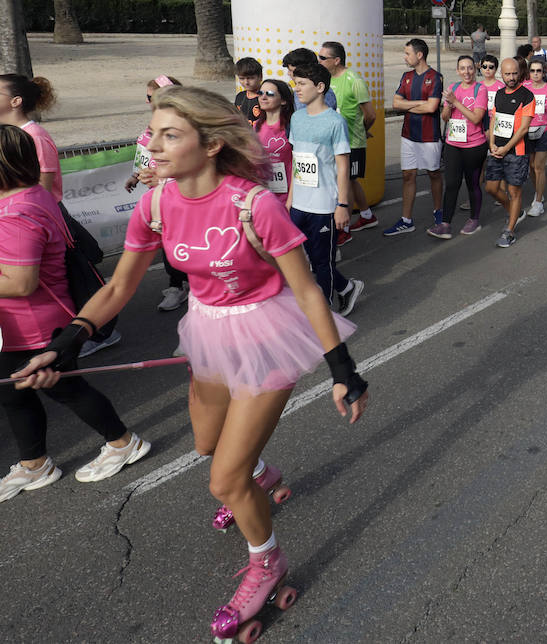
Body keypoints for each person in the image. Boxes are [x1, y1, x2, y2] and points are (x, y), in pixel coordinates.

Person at [12, 86, 369, 641]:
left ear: (211, 144)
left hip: (264, 333)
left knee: (221, 479)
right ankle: (259, 475)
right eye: (152, 131)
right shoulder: (155, 204)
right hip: (206, 330)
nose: (152, 144)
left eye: (169, 134)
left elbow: (306, 292)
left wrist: (343, 370)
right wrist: (67, 341)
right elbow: (121, 286)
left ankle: (265, 561)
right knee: (209, 446)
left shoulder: (254, 204)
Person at [0, 126, 150, 502]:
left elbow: (20, 282)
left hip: (33, 324)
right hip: (23, 324)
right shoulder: (31, 193)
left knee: (66, 389)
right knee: (16, 395)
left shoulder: (17, 212)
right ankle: (34, 462)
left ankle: (123, 442)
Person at [288, 64, 364, 315]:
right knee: (306, 258)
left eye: (301, 84)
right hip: (299, 203)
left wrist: (342, 205)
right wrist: (290, 199)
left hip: (323, 205)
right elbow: (296, 162)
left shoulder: (335, 121)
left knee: (323, 262)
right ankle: (347, 288)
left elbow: (343, 168)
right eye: (295, 83)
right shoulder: (296, 118)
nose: (296, 88)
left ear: (320, 88)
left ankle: (326, 312)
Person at [123, 75, 189, 321]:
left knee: (184, 245)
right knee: (167, 245)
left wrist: (162, 181)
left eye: (155, 97)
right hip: (157, 200)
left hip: (180, 199)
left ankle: (183, 286)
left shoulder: (185, 129)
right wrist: (136, 176)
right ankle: (177, 285)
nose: (150, 102)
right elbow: (145, 160)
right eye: (149, 97)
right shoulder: (151, 127)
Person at [318, 42, 377, 240]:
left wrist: (362, 131)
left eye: (323, 58)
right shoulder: (325, 80)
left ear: (337, 60)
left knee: (347, 181)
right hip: (334, 143)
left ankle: (345, 230)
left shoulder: (354, 80)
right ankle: (367, 215)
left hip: (352, 142)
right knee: (349, 181)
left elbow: (370, 115)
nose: (319, 61)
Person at [385, 38, 444, 236]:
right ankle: (406, 220)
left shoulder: (435, 77)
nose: (405, 56)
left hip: (429, 136)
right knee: (407, 176)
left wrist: (409, 104)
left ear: (419, 55)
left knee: (433, 174)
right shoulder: (406, 76)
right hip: (408, 135)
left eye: (407, 53)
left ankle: (439, 213)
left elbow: (432, 107)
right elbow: (395, 103)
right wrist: (419, 103)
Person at [432, 56, 489, 238]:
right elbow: (445, 117)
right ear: (457, 70)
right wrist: (448, 105)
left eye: (470, 68)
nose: (466, 72)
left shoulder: (480, 89)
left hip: (474, 145)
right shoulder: (453, 88)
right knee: (452, 184)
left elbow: (476, 118)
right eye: (462, 68)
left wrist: (455, 102)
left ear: (475, 69)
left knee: (472, 184)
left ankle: (474, 219)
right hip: (453, 143)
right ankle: (445, 224)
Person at [485, 57, 535, 248]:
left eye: (515, 73)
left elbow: (523, 129)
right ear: (502, 74)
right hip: (497, 148)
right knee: (491, 188)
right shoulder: (498, 94)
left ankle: (509, 231)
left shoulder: (527, 95)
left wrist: (506, 148)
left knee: (514, 191)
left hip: (517, 151)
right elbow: (494, 119)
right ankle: (516, 212)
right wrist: (491, 143)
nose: (512, 77)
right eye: (508, 74)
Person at [0, 73, 62, 202]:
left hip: (35, 214)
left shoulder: (35, 136)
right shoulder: (4, 134)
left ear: (16, 101)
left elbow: (43, 189)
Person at [523, 57, 547, 216]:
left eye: (538, 71)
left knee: (539, 167)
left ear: (544, 72)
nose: (535, 74)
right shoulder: (524, 88)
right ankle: (538, 192)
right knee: (531, 166)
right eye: (532, 70)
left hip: (543, 132)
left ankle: (538, 202)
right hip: (526, 132)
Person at [252, 79, 293, 201]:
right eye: (260, 93)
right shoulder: (257, 125)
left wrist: (290, 201)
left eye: (269, 94)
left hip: (289, 196)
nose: (263, 97)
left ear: (283, 100)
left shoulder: (291, 126)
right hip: (264, 194)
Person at [234, 57, 264, 124]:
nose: (246, 82)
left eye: (250, 78)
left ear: (260, 76)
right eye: (242, 78)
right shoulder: (240, 97)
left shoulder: (265, 98)